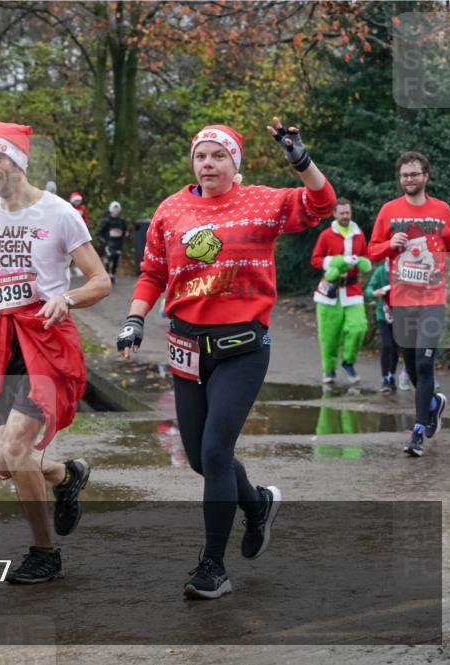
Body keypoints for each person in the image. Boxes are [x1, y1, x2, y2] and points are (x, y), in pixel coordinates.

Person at [116, 120, 336, 599]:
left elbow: (322, 205)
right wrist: (134, 320)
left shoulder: (262, 201)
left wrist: (301, 160)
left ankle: (213, 567)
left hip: (242, 349)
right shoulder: (171, 209)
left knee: (216, 451)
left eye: (219, 155)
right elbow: (153, 272)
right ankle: (256, 505)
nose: (208, 163)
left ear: (236, 164)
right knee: (200, 459)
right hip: (187, 349)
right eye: (201, 156)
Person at [0, 120, 111, 584]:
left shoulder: (60, 214)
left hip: (45, 340)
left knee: (18, 447)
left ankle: (44, 553)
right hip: (4, 339)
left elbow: (101, 281)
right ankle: (67, 475)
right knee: (2, 460)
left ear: (18, 161)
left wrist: (66, 298)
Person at [367, 151, 450, 456]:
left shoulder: (441, 210)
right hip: (402, 300)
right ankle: (433, 403)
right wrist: (388, 245)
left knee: (424, 362)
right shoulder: (389, 211)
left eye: (414, 174)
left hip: (432, 298)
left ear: (426, 176)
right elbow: (372, 251)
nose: (409, 179)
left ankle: (418, 432)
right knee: (410, 366)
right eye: (404, 175)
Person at [310, 198, 371, 386]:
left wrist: (362, 262)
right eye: (342, 213)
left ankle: (348, 362)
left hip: (352, 289)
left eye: (348, 213)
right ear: (335, 214)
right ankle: (329, 370)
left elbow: (365, 256)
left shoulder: (358, 234)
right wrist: (334, 262)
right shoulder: (327, 235)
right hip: (330, 290)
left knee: (359, 327)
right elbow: (315, 260)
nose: (345, 216)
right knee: (329, 336)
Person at [364, 258, 400, 393]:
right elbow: (369, 289)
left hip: (400, 314)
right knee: (386, 345)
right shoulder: (380, 271)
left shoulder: (404, 270)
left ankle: (391, 376)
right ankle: (385, 378)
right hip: (383, 314)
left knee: (396, 347)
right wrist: (374, 292)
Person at [97, 201, 128, 283]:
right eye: (114, 209)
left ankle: (112, 275)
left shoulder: (121, 221)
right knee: (109, 258)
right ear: (111, 209)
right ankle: (106, 275)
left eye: (117, 209)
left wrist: (126, 234)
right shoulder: (106, 220)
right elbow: (98, 233)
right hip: (109, 244)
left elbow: (125, 230)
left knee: (116, 259)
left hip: (118, 244)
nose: (116, 210)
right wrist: (104, 242)